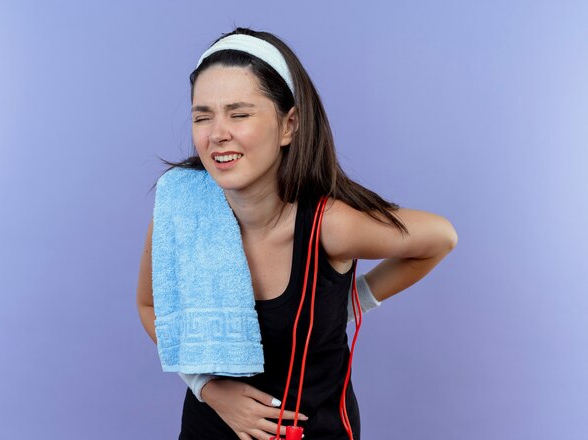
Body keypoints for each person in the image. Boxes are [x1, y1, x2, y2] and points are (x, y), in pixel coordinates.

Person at [136, 27, 458, 440]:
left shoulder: (330, 226)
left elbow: (440, 237)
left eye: (239, 113)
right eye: (202, 116)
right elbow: (151, 307)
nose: (217, 133)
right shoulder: (181, 208)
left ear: (289, 125)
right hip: (209, 428)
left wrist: (351, 299)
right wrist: (209, 388)